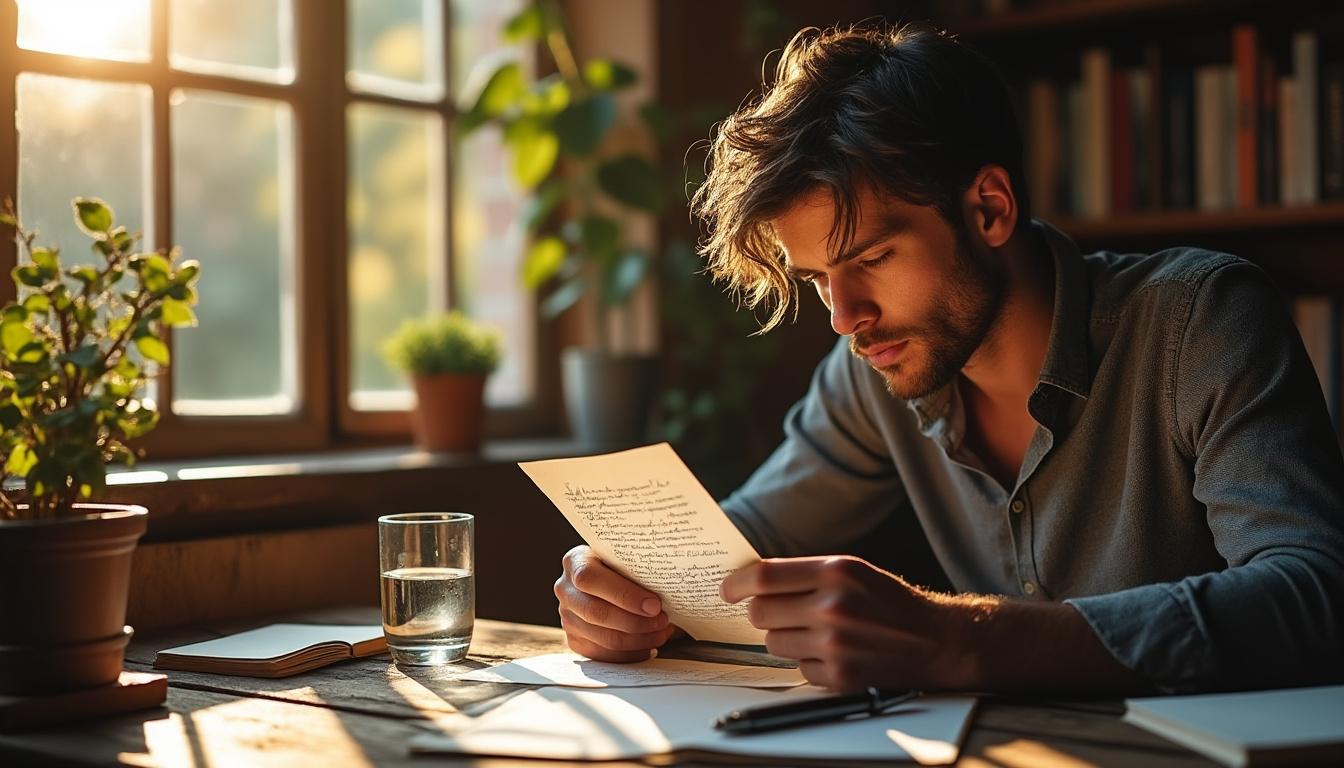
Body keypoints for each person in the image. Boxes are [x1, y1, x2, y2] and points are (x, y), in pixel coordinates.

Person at [552, 22, 1344, 694]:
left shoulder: (1198, 320)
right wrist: (632, 587)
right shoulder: (872, 372)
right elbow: (748, 545)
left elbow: (1316, 593)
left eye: (872, 257)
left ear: (990, 208)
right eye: (820, 278)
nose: (844, 317)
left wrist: (964, 639)